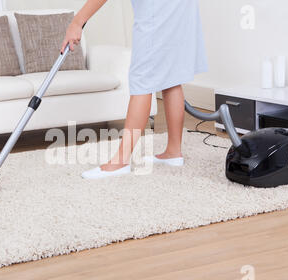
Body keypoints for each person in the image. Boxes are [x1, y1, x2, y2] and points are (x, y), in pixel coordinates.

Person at [61, 0, 208, 179]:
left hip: (157, 11)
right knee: (172, 77)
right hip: (180, 7)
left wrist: (77, 22)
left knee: (142, 82)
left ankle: (120, 161)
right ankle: (173, 152)